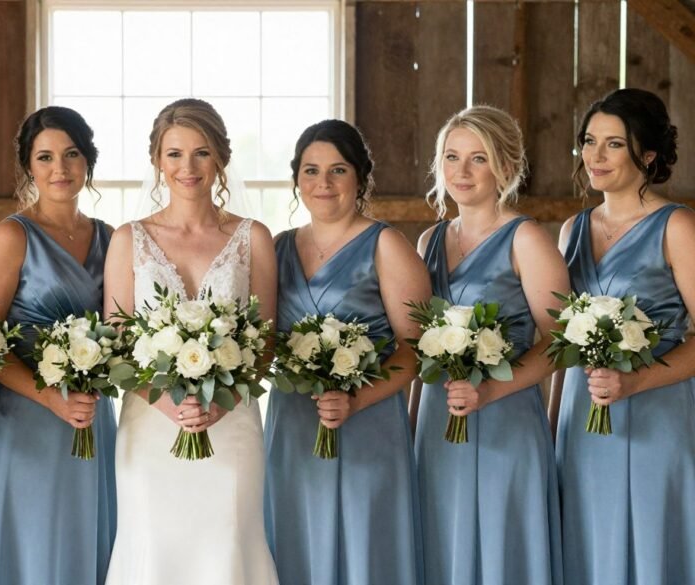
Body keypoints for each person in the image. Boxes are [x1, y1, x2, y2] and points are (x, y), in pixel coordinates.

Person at [102, 98, 279, 585]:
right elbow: (118, 347)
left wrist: (218, 406)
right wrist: (169, 404)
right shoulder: (128, 239)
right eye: (174, 153)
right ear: (158, 160)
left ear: (220, 157)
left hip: (232, 424)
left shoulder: (253, 237)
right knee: (153, 548)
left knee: (228, 546)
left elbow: (263, 345)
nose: (188, 167)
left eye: (201, 153)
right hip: (151, 425)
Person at [263, 119, 428, 585]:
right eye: (311, 170)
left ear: (360, 177)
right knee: (297, 538)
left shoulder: (386, 245)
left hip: (367, 424)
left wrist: (356, 399)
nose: (323, 183)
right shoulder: (277, 248)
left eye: (338, 170)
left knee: (366, 544)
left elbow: (414, 351)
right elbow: (263, 339)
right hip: (294, 420)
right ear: (297, 178)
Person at [415, 105, 565, 585]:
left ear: (505, 166)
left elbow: (563, 342)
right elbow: (419, 348)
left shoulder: (527, 240)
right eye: (451, 157)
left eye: (477, 159)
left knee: (503, 551)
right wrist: (415, 424)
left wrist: (493, 392)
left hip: (505, 422)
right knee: (441, 544)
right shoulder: (428, 241)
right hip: (440, 425)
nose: (461, 171)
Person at [554, 88, 695, 584]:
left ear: (649, 154)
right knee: (590, 544)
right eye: (590, 141)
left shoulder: (676, 225)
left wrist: (635, 383)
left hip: (655, 414)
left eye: (614, 144)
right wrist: (555, 425)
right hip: (582, 413)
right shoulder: (571, 230)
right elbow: (559, 341)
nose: (595, 156)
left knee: (652, 545)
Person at [0, 106, 116, 585]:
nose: (60, 169)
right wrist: (49, 396)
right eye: (46, 157)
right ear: (29, 167)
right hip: (30, 417)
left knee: (90, 538)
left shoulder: (109, 238)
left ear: (88, 161)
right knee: (35, 545)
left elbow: (124, 329)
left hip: (93, 417)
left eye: (72, 154)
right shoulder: (13, 236)